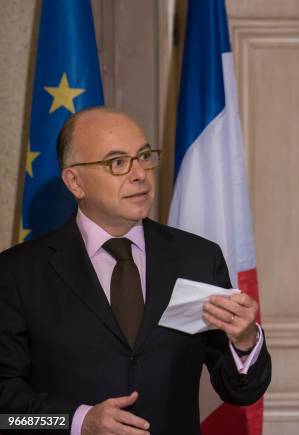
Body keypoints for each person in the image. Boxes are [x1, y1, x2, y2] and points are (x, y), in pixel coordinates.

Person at [0, 107, 271, 435]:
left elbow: (239, 390)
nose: (140, 173)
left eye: (144, 156)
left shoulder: (198, 258)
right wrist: (78, 421)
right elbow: (7, 412)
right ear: (75, 182)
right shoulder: (17, 273)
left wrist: (245, 341)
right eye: (117, 163)